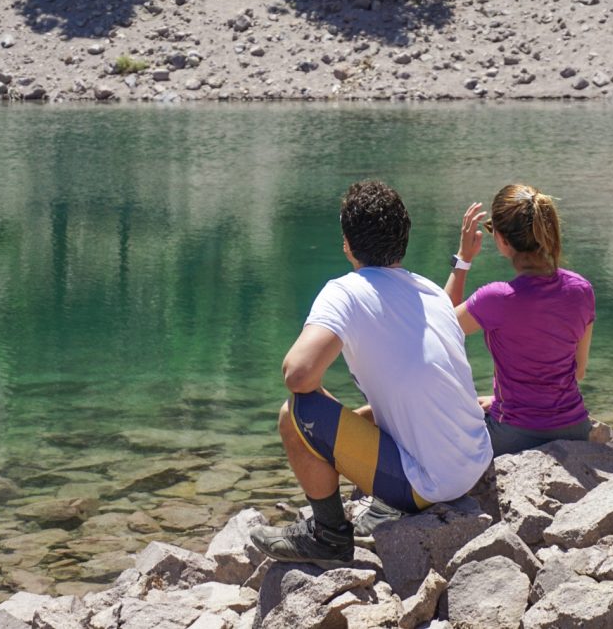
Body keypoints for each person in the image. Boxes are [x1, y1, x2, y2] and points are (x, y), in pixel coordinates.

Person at [249, 181, 493, 567]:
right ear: (404, 239)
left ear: (347, 243)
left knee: (295, 414)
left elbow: (298, 375)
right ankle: (375, 508)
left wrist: (325, 425)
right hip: (476, 460)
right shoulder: (429, 291)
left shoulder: (345, 292)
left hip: (429, 484)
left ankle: (327, 536)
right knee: (362, 412)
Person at [453, 183, 595, 456]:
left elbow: (437, 328)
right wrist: (499, 398)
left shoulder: (495, 299)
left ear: (503, 241)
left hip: (513, 436)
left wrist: (463, 260)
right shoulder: (582, 289)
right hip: (576, 428)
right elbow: (577, 371)